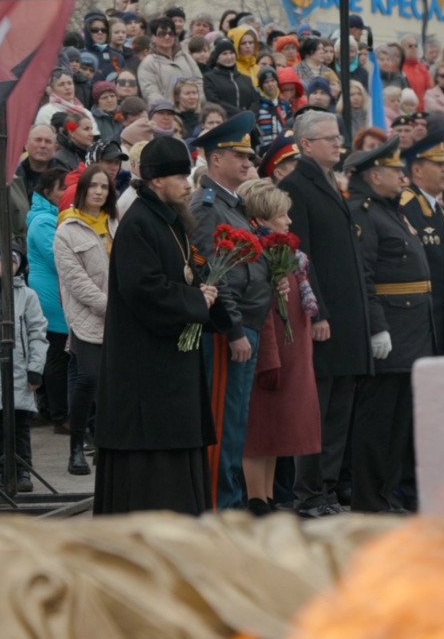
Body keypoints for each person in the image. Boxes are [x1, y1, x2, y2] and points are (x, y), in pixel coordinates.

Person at [94, 136, 228, 516]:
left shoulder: (170, 219)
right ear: (156, 180)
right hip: (145, 369)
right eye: (180, 177)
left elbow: (182, 272)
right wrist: (193, 301)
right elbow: (141, 288)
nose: (188, 185)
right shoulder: (139, 222)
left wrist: (202, 292)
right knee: (151, 465)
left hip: (171, 364)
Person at [278, 111, 373, 517]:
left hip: (347, 320)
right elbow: (303, 257)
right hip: (324, 319)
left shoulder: (329, 183)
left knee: (337, 414)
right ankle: (310, 492)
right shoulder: (296, 187)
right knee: (317, 412)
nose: (339, 143)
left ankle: (328, 490)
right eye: (329, 138)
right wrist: (317, 313)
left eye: (338, 137)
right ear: (305, 144)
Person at [188, 112, 278, 510]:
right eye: (237, 155)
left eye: (248, 156)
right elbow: (214, 274)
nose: (247, 162)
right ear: (215, 159)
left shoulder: (232, 203)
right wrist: (235, 328)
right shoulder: (208, 206)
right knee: (223, 423)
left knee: (235, 423)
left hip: (246, 325)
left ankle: (227, 501)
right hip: (227, 331)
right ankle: (217, 507)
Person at [345, 136, 433, 513]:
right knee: (377, 423)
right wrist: (376, 326)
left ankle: (387, 494)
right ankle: (369, 498)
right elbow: (363, 275)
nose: (402, 177)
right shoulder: (364, 211)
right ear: (374, 175)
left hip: (412, 330)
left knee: (398, 424)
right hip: (391, 328)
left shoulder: (390, 210)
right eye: (394, 171)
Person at [239, 179, 321, 517]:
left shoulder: (287, 257)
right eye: (282, 216)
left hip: (291, 355)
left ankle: (269, 496)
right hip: (272, 357)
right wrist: (269, 360)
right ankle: (256, 500)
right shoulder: (260, 255)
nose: (288, 222)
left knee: (277, 433)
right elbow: (263, 314)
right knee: (259, 433)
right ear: (262, 218)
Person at [54, 164, 118, 477]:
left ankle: (107, 446)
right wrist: (109, 306)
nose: (98, 192)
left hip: (122, 317)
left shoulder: (117, 223)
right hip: (87, 317)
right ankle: (76, 446)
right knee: (89, 378)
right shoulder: (67, 229)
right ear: (82, 190)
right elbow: (74, 279)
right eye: (93, 186)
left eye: (104, 187)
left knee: (115, 385)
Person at [0, 241, 48, 493]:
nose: (8, 267)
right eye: (3, 261)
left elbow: (37, 333)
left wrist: (36, 368)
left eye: (13, 262)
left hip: (20, 368)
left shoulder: (28, 295)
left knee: (21, 424)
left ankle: (23, 470)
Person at [400, 127, 444, 358]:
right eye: (438, 164)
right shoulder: (406, 206)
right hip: (419, 327)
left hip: (441, 325)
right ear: (417, 169)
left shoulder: (439, 210)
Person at [26, 168, 71, 435]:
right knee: (56, 358)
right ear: (48, 193)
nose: (66, 192)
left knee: (58, 356)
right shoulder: (43, 221)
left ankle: (55, 409)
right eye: (61, 188)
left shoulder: (53, 217)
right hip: (50, 298)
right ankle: (59, 414)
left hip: (56, 295)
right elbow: (60, 258)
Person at [138, 16, 205, 104]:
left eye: (171, 33)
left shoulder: (185, 57)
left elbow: (198, 81)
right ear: (154, 37)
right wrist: (168, 109)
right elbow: (150, 92)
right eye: (162, 33)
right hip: (167, 113)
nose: (167, 37)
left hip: (193, 109)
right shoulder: (148, 63)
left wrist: (197, 102)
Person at [204, 38, 259, 120]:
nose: (229, 57)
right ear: (217, 57)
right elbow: (213, 100)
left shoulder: (246, 79)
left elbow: (255, 100)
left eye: (231, 53)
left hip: (246, 123)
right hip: (224, 122)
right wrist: (238, 113)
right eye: (224, 54)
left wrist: (249, 114)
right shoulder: (209, 78)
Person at [17, 124, 58, 201]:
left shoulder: (63, 178)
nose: (43, 145)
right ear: (26, 144)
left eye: (48, 141)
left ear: (55, 148)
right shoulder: (14, 177)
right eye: (38, 140)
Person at [255, 67, 292, 140]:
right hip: (265, 148)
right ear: (261, 85)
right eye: (266, 82)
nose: (270, 84)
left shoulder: (284, 104)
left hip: (283, 145)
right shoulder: (257, 105)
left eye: (273, 80)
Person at [400, 34, 432, 110]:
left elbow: (429, 89)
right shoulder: (399, 67)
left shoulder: (423, 67)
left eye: (416, 45)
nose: (413, 48)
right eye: (410, 46)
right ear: (402, 49)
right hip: (404, 109)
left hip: (421, 109)